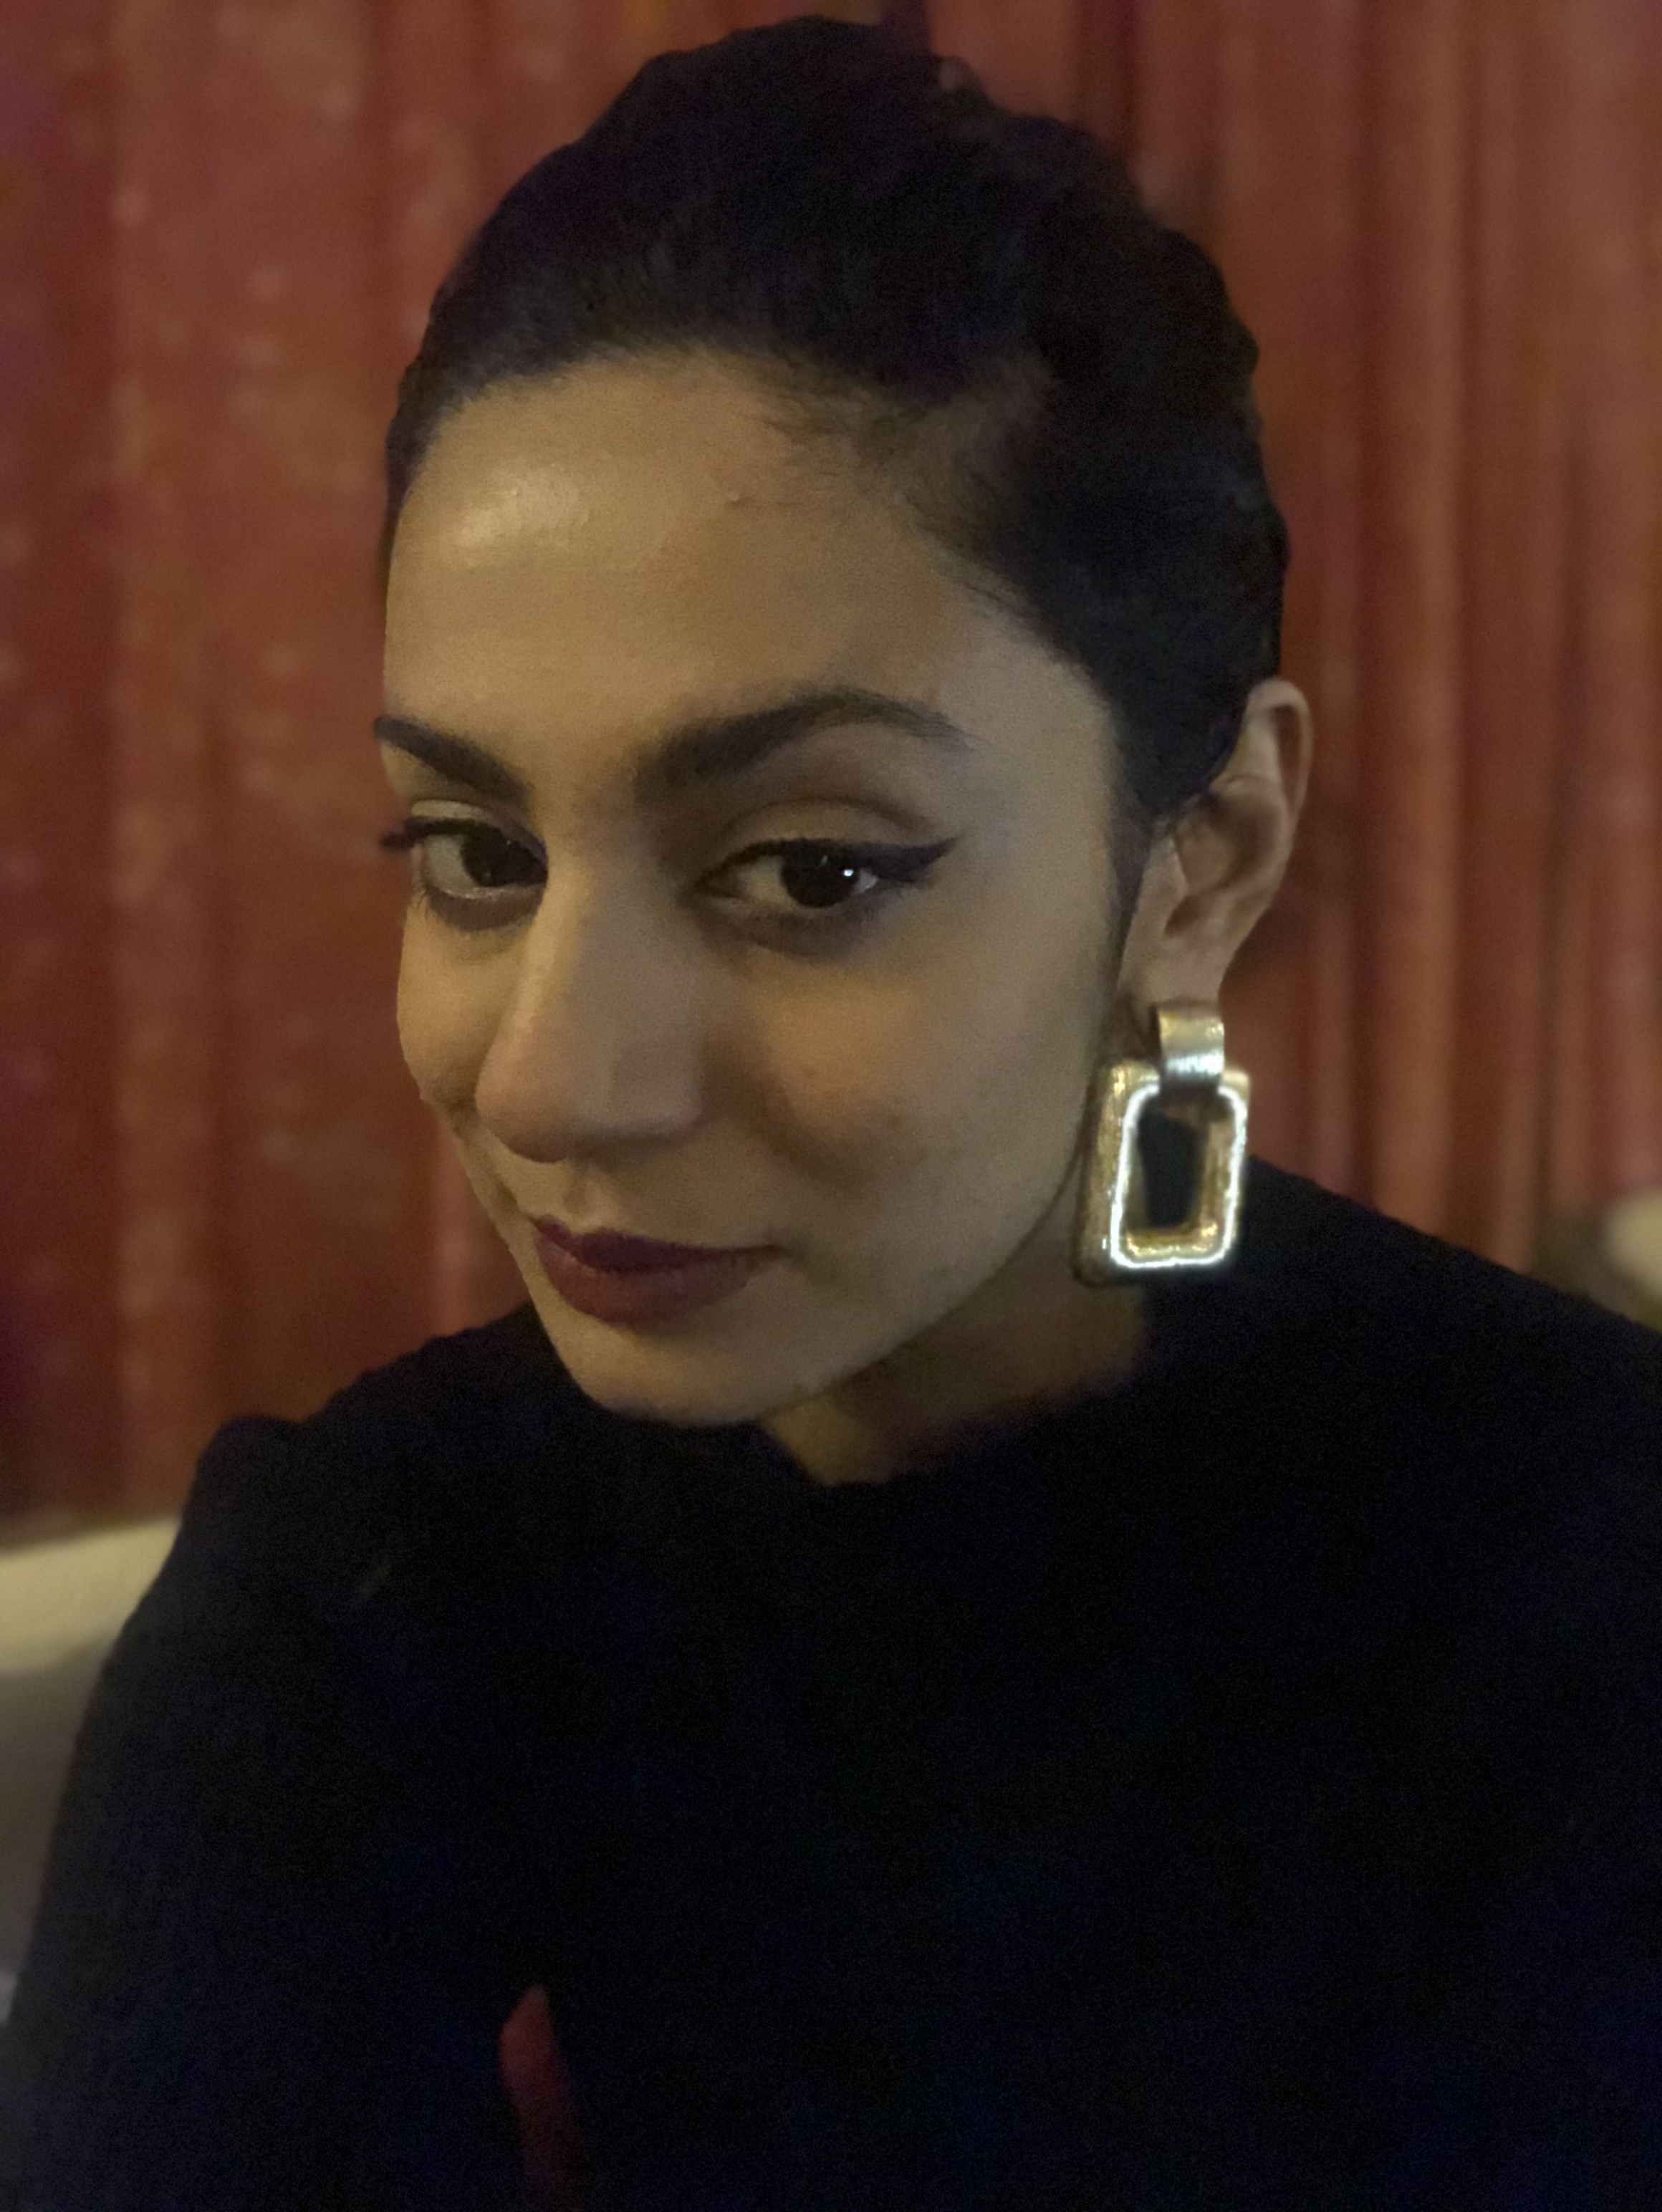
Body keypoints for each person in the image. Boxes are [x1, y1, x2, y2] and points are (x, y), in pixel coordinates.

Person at [3, 17, 1659, 2210]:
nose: (549, 1077)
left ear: (1207, 858)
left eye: (810, 873)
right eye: (476, 853)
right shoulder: (371, 1582)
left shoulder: (1581, 1567)